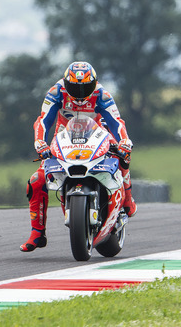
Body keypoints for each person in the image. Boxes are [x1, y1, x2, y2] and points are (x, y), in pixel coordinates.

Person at [20, 61, 136, 252]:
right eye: (75, 87)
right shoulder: (56, 92)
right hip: (64, 138)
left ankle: (128, 199)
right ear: (66, 84)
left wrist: (124, 140)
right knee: (36, 180)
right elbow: (43, 120)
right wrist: (39, 142)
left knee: (122, 153)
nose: (80, 94)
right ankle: (37, 233)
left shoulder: (102, 94)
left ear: (94, 83)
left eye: (85, 87)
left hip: (96, 135)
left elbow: (117, 122)